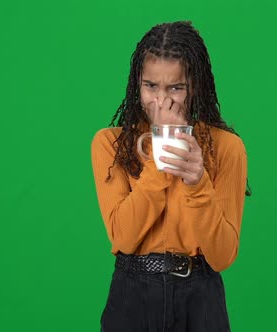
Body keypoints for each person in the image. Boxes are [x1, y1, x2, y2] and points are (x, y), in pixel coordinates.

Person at [91, 20, 250, 331]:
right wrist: (160, 162)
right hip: (132, 294)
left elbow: (222, 257)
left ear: (196, 87)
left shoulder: (227, 148)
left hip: (200, 296)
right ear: (137, 84)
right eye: (151, 86)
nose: (162, 101)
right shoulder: (110, 145)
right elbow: (123, 237)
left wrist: (197, 183)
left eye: (176, 88)